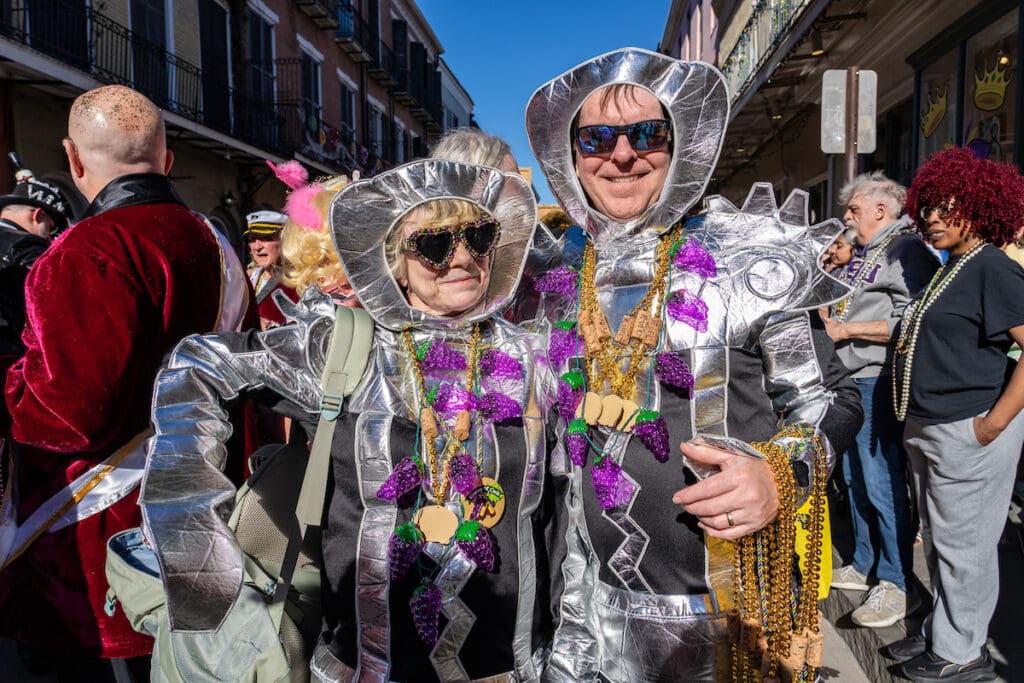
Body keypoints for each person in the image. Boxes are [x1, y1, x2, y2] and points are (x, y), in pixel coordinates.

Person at [138, 159, 556, 681]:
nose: (462, 258)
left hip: (512, 667)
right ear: (397, 262)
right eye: (433, 244)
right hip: (366, 667)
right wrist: (190, 508)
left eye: (478, 235)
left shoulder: (538, 357)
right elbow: (199, 365)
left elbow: (568, 516)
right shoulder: (341, 345)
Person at [526, 47, 862, 681]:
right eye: (596, 138)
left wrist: (775, 472)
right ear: (571, 159)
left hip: (736, 618)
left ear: (677, 145)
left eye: (646, 133)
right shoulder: (554, 281)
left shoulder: (753, 260)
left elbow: (832, 400)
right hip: (593, 621)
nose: (621, 155)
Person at [0, 84, 249, 679]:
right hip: (204, 512)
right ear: (167, 160)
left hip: (94, 540)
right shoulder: (217, 242)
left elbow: (67, 415)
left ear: (74, 158)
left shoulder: (81, 251)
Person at [886, 148, 1024, 682]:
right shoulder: (953, 267)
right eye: (928, 208)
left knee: (965, 549)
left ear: (981, 206)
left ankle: (963, 653)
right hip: (931, 427)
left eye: (947, 208)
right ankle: (942, 636)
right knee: (943, 544)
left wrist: (990, 425)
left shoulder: (991, 267)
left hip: (969, 429)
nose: (932, 218)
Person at [819, 171, 938, 628]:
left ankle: (896, 581)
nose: (846, 218)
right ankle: (867, 561)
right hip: (851, 378)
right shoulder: (865, 251)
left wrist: (847, 330)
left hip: (876, 378)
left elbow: (915, 317)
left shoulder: (904, 249)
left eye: (853, 211)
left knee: (880, 479)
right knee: (853, 478)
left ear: (881, 211)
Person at [0, 175, 70, 355]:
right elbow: (55, 298)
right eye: (52, 228)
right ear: (38, 216)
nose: (50, 237)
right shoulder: (26, 244)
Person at [246, 209, 299, 328]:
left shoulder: (299, 281)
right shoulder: (247, 279)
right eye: (252, 238)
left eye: (265, 237)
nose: (257, 247)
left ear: (285, 239)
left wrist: (271, 327)